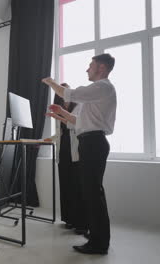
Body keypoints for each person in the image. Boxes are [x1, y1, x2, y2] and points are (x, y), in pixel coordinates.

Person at [42, 53, 116, 255]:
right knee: (91, 193)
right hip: (90, 142)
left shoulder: (102, 87)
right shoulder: (98, 93)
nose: (87, 69)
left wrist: (50, 82)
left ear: (101, 68)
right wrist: (60, 113)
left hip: (93, 143)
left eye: (90, 65)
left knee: (93, 194)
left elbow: (70, 94)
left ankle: (99, 243)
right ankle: (97, 237)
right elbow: (77, 122)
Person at [45, 90, 87, 235]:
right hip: (63, 151)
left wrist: (61, 114)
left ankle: (81, 223)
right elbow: (60, 133)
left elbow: (76, 125)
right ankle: (69, 219)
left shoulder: (79, 106)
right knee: (66, 185)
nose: (65, 98)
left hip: (75, 151)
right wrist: (47, 140)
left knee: (77, 186)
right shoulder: (59, 110)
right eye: (61, 97)